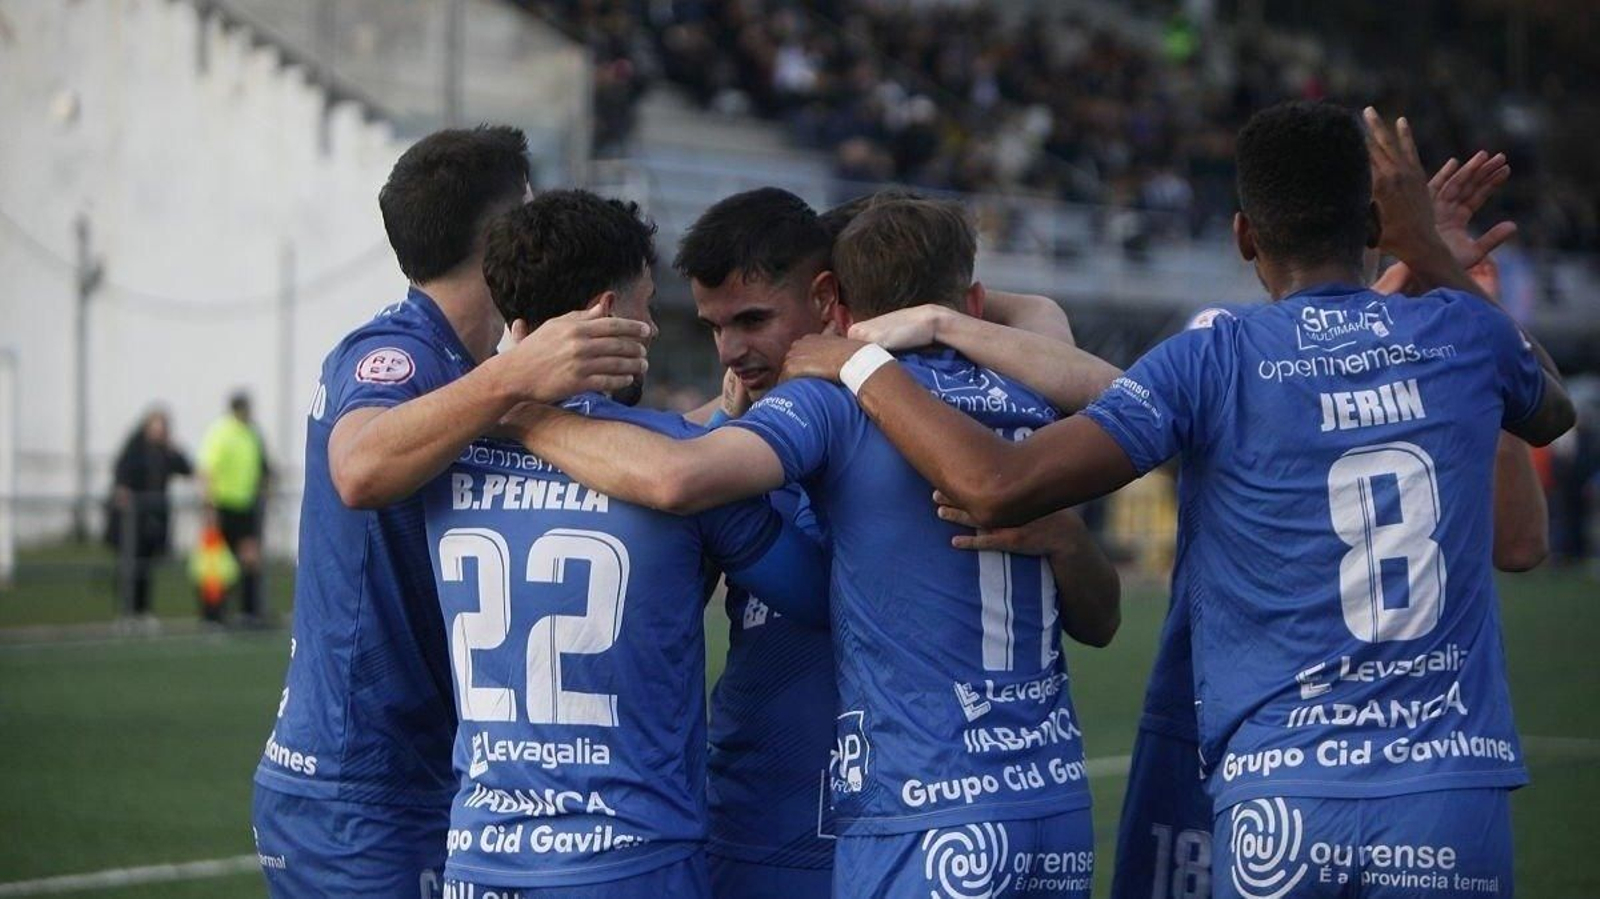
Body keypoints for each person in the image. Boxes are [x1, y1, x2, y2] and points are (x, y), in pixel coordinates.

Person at [781, 103, 1576, 898]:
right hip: (1445, 788)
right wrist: (1429, 253)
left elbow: (996, 482)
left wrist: (855, 363)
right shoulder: (1462, 334)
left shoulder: (1212, 357)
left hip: (1281, 796)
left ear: (1242, 235)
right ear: (1373, 223)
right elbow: (1548, 409)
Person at [505, 196, 1123, 899]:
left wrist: (503, 401)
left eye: (754, 320)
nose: (732, 350)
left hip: (904, 815)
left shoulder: (834, 410)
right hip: (769, 820)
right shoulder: (753, 424)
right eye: (715, 327)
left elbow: (1100, 618)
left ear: (831, 299)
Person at [1106, 150, 1553, 899]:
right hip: (1362, 761)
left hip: (1284, 778)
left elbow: (1522, 542)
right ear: (1373, 226)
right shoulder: (1227, 340)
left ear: (1245, 234)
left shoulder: (1430, 346)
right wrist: (1432, 270)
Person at [250, 126, 650, 898]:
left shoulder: (470, 373)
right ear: (499, 234)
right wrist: (510, 378)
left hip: (421, 780)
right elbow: (360, 466)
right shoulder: (393, 353)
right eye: (529, 210)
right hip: (356, 789)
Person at [428, 188, 835, 899]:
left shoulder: (442, 452)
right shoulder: (681, 469)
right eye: (646, 306)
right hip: (628, 861)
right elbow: (816, 594)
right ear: (606, 315)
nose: (650, 327)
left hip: (480, 857)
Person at [107, 407, 192, 631]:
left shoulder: (165, 451)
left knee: (146, 567)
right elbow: (121, 475)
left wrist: (175, 449)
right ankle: (127, 612)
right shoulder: (134, 448)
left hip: (153, 521)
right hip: (132, 521)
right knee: (129, 566)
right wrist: (122, 490)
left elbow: (186, 468)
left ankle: (144, 612)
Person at [198, 391, 270, 625]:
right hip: (222, 505)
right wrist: (209, 505)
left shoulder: (252, 433)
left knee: (250, 559)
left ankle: (249, 611)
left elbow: (261, 466)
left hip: (245, 506)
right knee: (217, 565)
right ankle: (213, 614)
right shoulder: (221, 432)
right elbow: (207, 469)